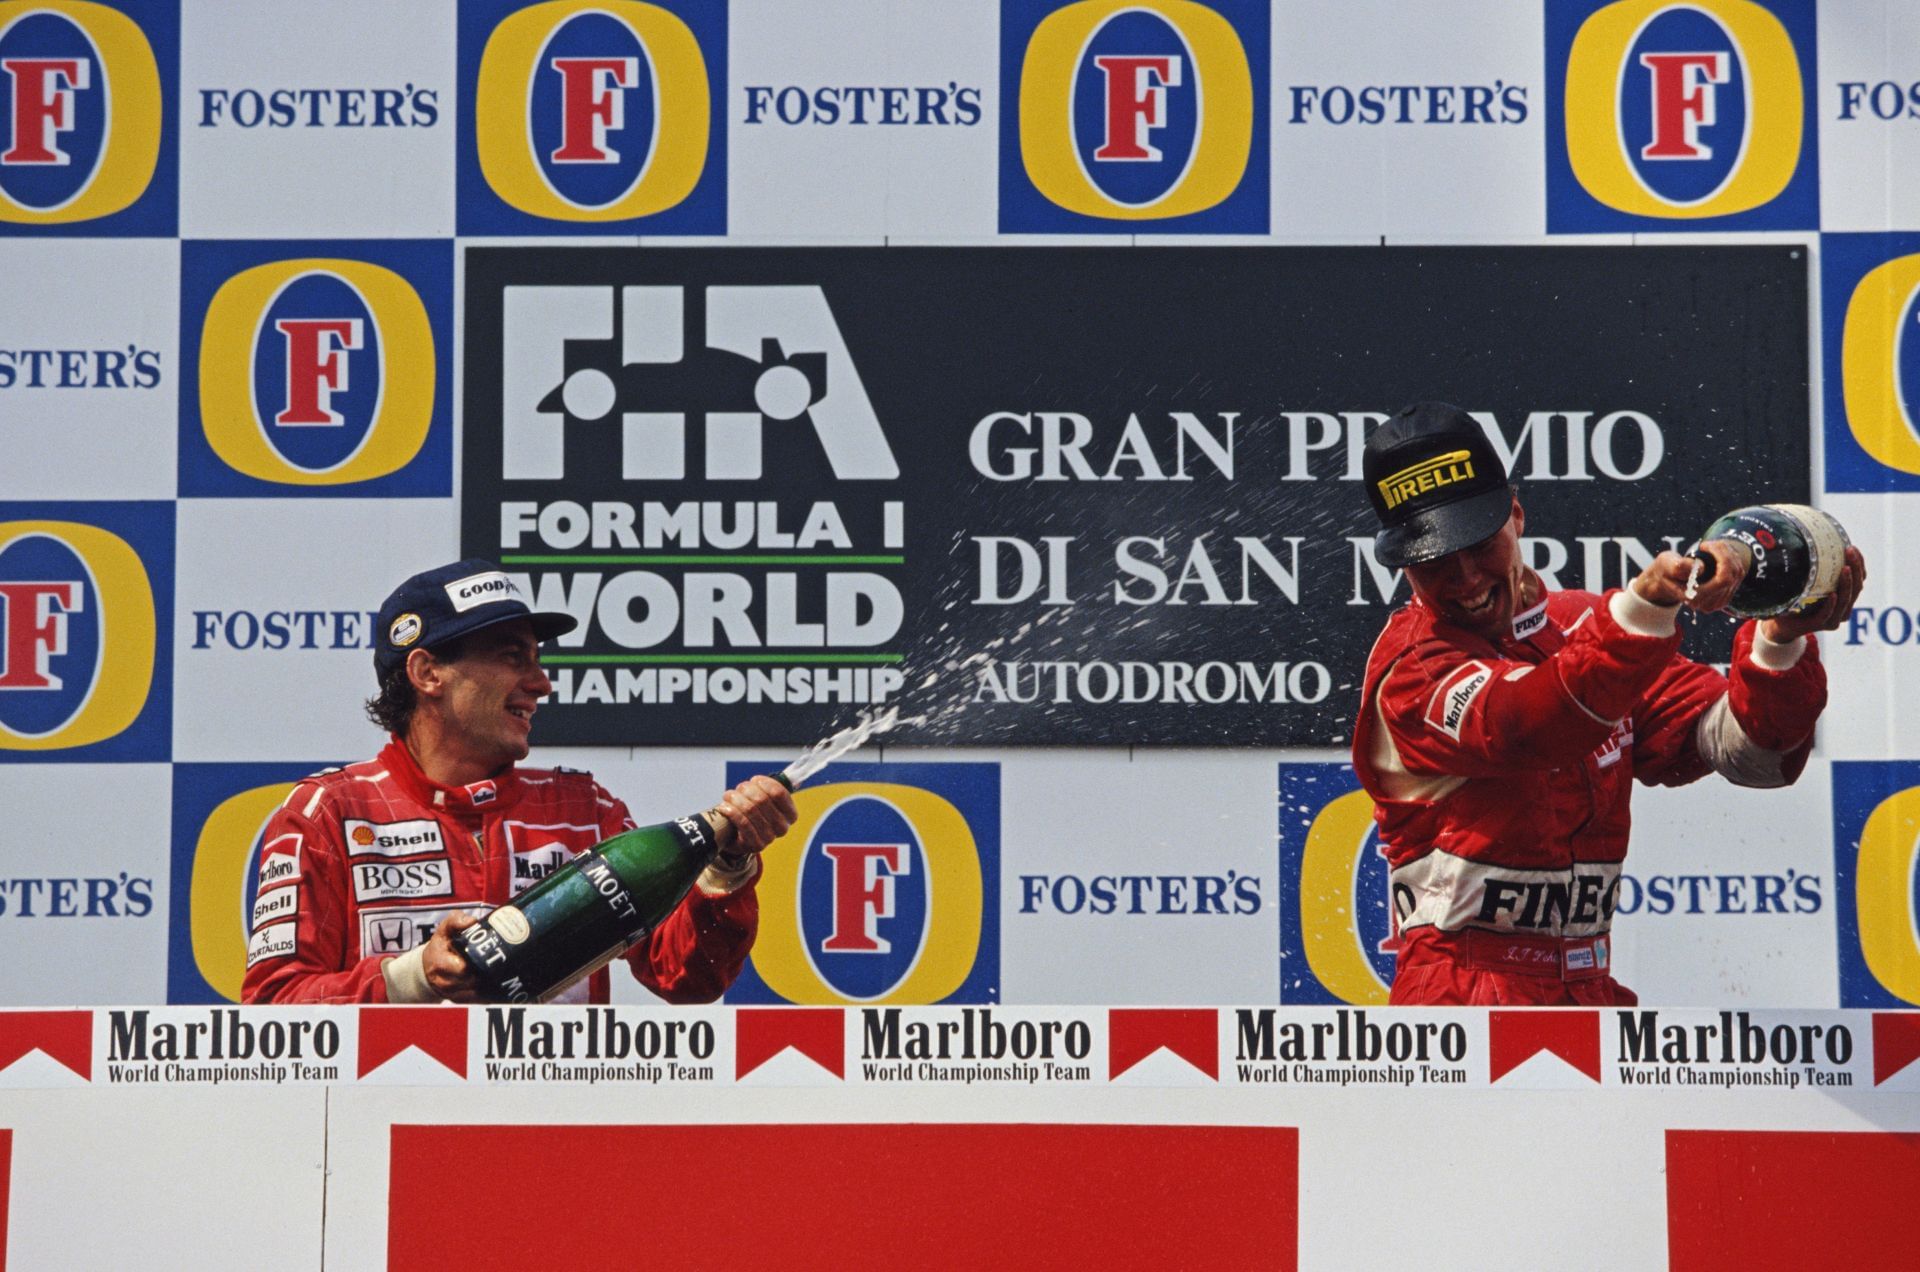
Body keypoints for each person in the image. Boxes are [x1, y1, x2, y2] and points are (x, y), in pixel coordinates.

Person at [1351, 403, 1865, 1006]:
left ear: (1515, 515)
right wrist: (1640, 616)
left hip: (1589, 993)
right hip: (1463, 1000)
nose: (1464, 576)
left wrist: (1779, 639)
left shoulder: (1580, 626)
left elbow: (1757, 757)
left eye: (1479, 543)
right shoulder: (1411, 669)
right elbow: (1529, 727)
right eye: (1433, 558)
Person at [242, 559, 796, 1005]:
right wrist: (414, 978)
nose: (541, 683)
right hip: (391, 1130)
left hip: (548, 1129)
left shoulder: (585, 808)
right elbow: (273, 1007)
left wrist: (726, 869)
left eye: (537, 660)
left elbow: (687, 977)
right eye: (514, 658)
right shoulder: (328, 813)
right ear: (427, 672)